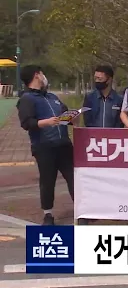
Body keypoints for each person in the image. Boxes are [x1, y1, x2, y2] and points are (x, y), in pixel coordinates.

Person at [16, 65, 75, 225]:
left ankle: (81, 211)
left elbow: (65, 113)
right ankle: (48, 215)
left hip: (64, 145)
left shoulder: (52, 97)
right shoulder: (27, 99)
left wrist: (71, 118)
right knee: (48, 181)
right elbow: (26, 123)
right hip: (44, 147)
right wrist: (46, 122)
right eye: (42, 73)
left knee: (74, 177)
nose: (44, 76)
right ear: (37, 75)